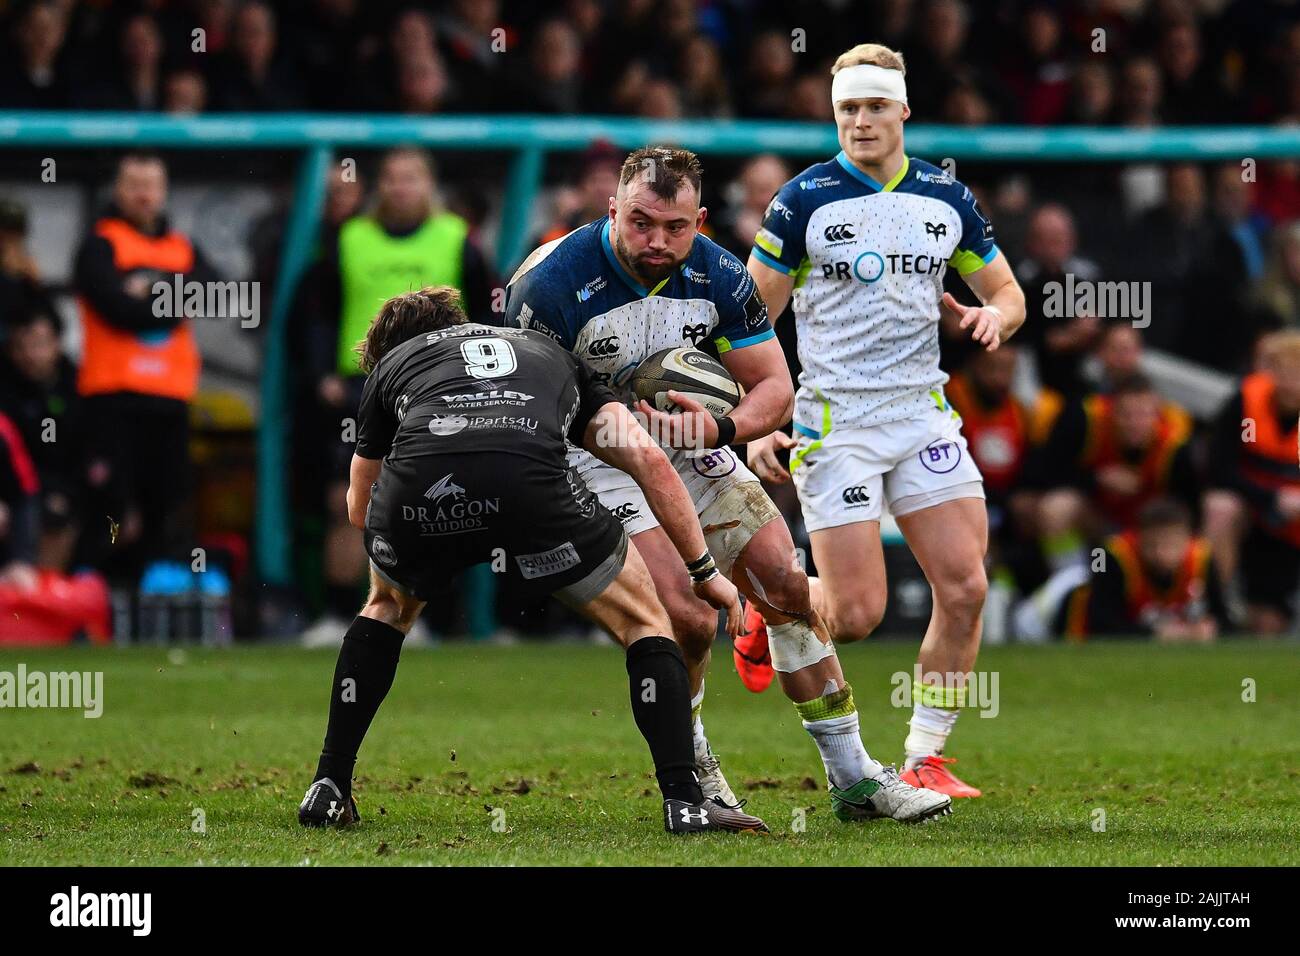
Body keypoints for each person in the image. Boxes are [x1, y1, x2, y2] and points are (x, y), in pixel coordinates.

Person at [504, 146, 950, 825]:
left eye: (675, 227)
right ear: (612, 210)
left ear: (701, 219)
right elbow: (525, 411)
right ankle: (698, 772)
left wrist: (720, 431)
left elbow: (775, 387)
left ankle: (855, 779)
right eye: (641, 223)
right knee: (685, 616)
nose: (658, 241)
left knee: (784, 581)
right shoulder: (551, 286)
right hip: (591, 456)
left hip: (689, 446)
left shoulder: (720, 274)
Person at [297, 286, 765, 836]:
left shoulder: (394, 367)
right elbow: (646, 461)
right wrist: (705, 573)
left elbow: (359, 508)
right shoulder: (549, 352)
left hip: (426, 494)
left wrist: (419, 545)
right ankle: (685, 802)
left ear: (391, 349)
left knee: (383, 609)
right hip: (533, 490)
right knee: (644, 621)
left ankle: (329, 784)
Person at [743, 42, 1028, 799]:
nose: (860, 121)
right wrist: (757, 420)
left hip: (922, 415)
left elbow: (1008, 292)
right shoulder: (804, 201)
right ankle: (765, 605)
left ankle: (925, 756)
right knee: (858, 615)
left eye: (874, 106)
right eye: (846, 109)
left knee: (966, 587)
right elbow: (747, 321)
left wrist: (995, 318)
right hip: (836, 422)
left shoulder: (946, 198)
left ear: (903, 110)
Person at [302, 147, 497, 641]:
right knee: (347, 500)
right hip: (361, 387)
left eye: (411, 178)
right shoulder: (350, 237)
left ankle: (418, 615)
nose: (400, 187)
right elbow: (320, 309)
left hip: (438, 388)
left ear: (429, 186)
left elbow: (489, 312)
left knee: (431, 502)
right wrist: (322, 370)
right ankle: (338, 614)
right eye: (390, 178)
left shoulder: (456, 238)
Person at [73, 152, 219, 581]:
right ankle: (101, 597)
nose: (143, 194)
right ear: (118, 190)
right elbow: (119, 310)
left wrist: (151, 290)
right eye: (134, 184)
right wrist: (176, 295)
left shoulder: (181, 245)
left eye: (151, 185)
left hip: (169, 400)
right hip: (112, 398)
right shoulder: (101, 243)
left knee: (165, 506)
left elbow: (221, 293)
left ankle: (142, 604)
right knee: (113, 510)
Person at [1203, 329, 1300, 634]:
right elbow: (1218, 469)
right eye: (1280, 369)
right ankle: (1215, 606)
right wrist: (1270, 498)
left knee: (1267, 625)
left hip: (1293, 530)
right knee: (1220, 507)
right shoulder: (1244, 402)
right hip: (1254, 517)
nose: (1288, 381)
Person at [1061, 499, 1226, 641]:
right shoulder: (1108, 554)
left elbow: (1224, 618)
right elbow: (1100, 622)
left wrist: (1209, 628)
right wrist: (1155, 634)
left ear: (1187, 540)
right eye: (1152, 545)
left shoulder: (1202, 557)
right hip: (1056, 602)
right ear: (1138, 539)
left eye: (1171, 545)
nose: (1162, 554)